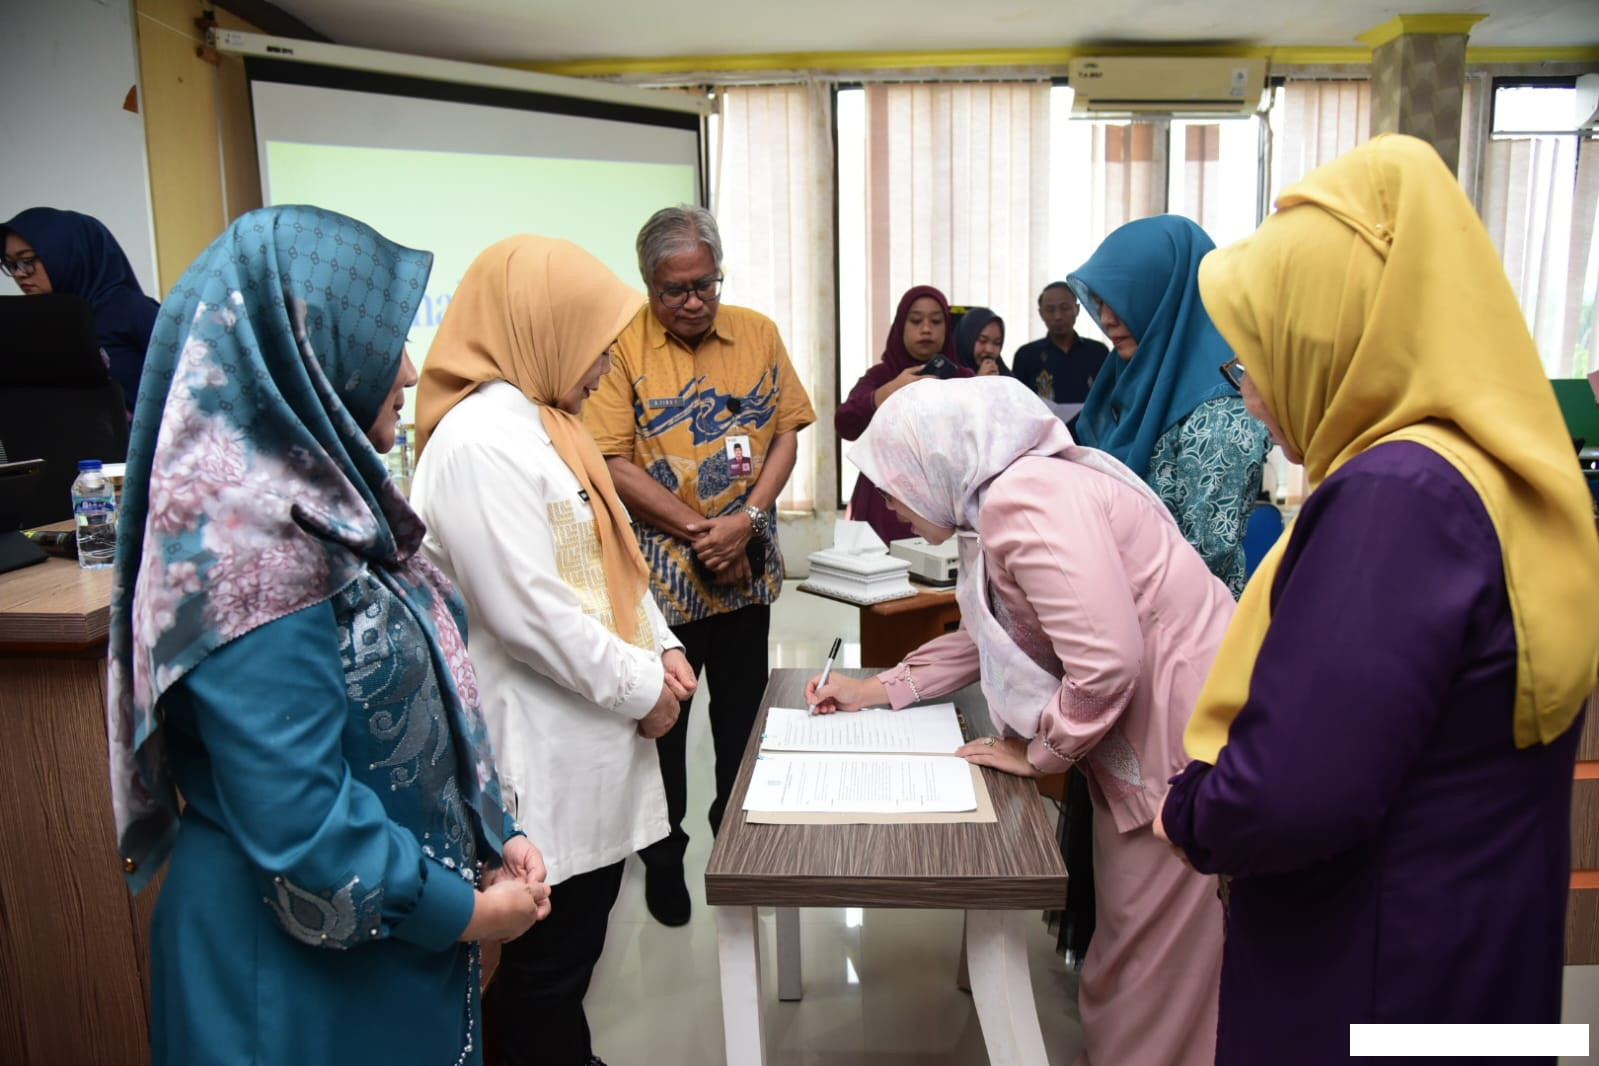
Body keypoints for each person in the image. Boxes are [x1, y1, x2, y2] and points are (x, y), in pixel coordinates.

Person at [1156, 135, 1599, 1065]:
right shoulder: (1492, 468)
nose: (1253, 401)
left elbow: (1295, 791)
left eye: (1256, 362)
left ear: (1331, 341)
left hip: (1372, 968)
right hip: (1468, 951)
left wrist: (1190, 811)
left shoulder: (1399, 497)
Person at [106, 205, 550, 1066]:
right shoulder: (249, 551)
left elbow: (412, 705)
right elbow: (303, 823)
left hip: (378, 939)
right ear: (296, 349)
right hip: (286, 976)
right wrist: (464, 913)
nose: (412, 368)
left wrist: (494, 832)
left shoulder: (328, 504)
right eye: (386, 340)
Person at [809, 375, 1230, 1066]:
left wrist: (1043, 752)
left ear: (937, 461)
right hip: (1166, 722)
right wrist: (880, 689)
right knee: (1147, 940)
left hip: (1171, 741)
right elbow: (997, 631)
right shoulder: (1013, 493)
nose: (888, 504)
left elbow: (1105, 664)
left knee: (1151, 957)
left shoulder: (1022, 503)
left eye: (894, 482)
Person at [411, 234, 697, 1066]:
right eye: (597, 344)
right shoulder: (476, 444)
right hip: (537, 749)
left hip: (590, 740)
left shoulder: (548, 426)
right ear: (542, 326)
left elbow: (613, 560)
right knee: (540, 972)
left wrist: (664, 645)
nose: (608, 367)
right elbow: (530, 613)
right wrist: (644, 687)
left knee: (568, 964)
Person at [583, 205, 815, 927]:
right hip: (661, 577)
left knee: (744, 719)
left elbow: (784, 434)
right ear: (647, 283)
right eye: (673, 289)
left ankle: (736, 837)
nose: (691, 301)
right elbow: (609, 459)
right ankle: (663, 849)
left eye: (704, 285)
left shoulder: (757, 332)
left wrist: (744, 521)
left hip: (744, 566)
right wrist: (697, 528)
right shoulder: (619, 342)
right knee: (666, 721)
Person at [1067, 216, 1272, 597]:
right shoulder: (1129, 380)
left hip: (1188, 634)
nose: (1107, 319)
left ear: (1165, 296)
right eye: (1099, 302)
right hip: (1111, 615)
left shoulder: (1221, 412)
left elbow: (1206, 556)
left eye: (1124, 300)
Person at [836, 284, 974, 543]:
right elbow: (845, 424)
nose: (926, 329)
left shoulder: (963, 379)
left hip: (945, 511)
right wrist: (890, 391)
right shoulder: (881, 376)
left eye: (936, 321)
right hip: (884, 507)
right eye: (915, 320)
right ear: (900, 326)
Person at [2, 207, 160, 416]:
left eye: (28, 260)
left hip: (149, 446)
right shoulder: (39, 322)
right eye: (11, 264)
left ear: (67, 253)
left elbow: (193, 379)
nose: (19, 274)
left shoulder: (130, 310)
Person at [1009, 281, 1109, 423]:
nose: (1058, 316)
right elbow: (1018, 406)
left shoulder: (1098, 352)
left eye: (1065, 308)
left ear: (1077, 309)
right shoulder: (1026, 355)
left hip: (1090, 438)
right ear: (1041, 313)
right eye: (1050, 310)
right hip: (1045, 440)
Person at [953, 305, 1007, 376]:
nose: (989, 350)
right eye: (983, 341)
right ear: (966, 340)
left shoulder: (1006, 378)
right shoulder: (948, 375)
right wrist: (979, 381)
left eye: (997, 343)